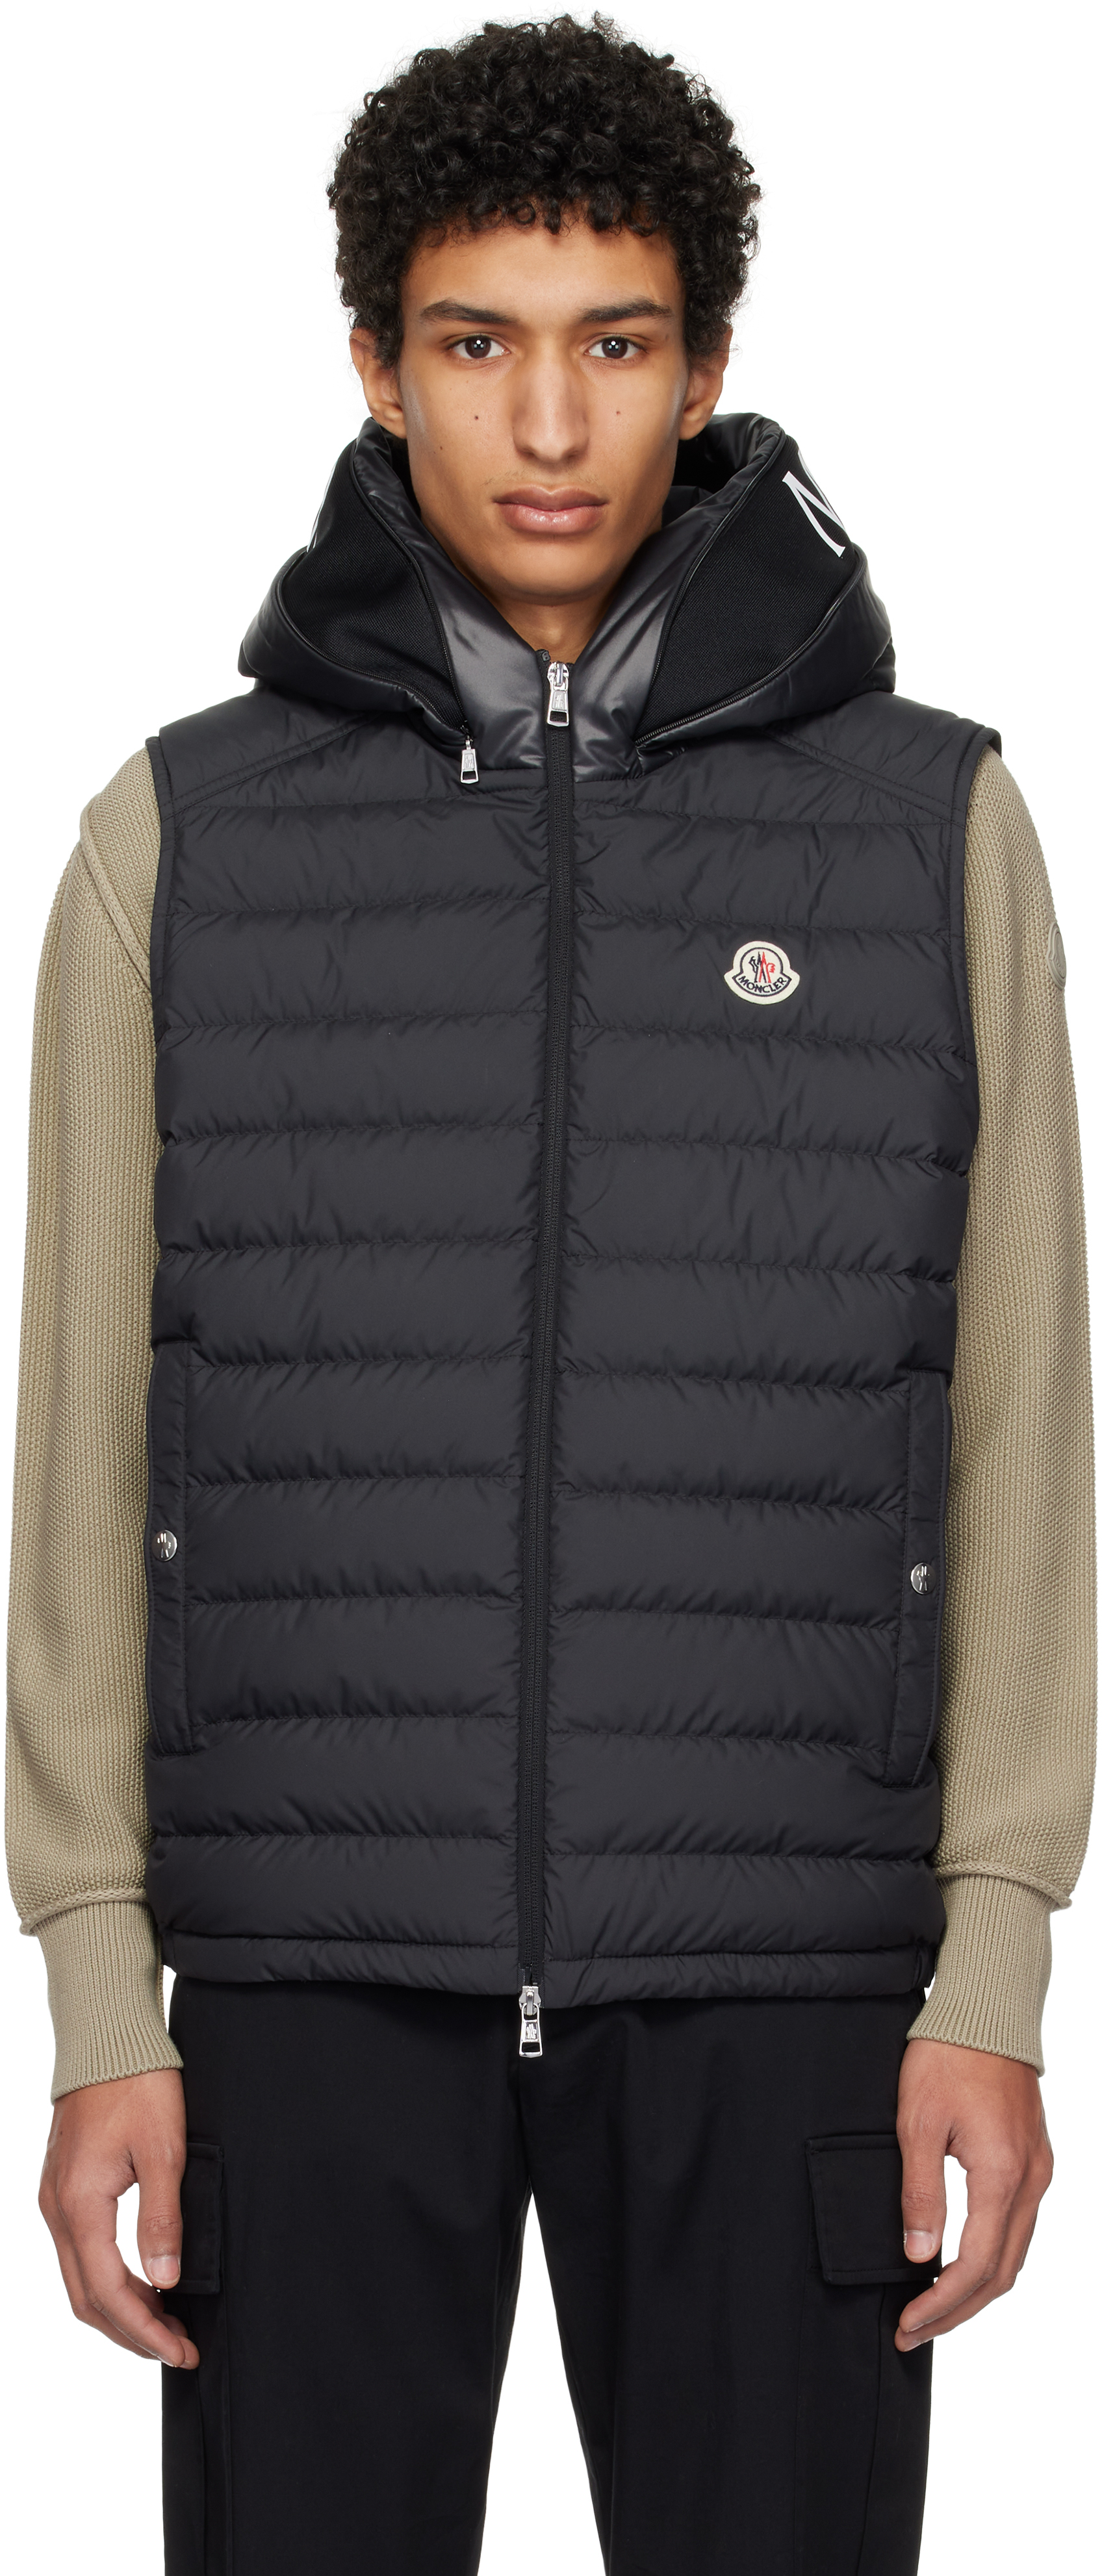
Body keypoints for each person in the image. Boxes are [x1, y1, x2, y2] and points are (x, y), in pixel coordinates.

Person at [6, 16, 1094, 2573]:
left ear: (705, 370)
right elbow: (82, 1442)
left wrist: (993, 1965)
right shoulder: (180, 836)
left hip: (786, 1969)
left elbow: (1017, 1422)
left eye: (614, 344)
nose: (547, 423)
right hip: (303, 1978)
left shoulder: (928, 829)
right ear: (375, 367)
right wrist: (95, 1990)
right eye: (475, 343)